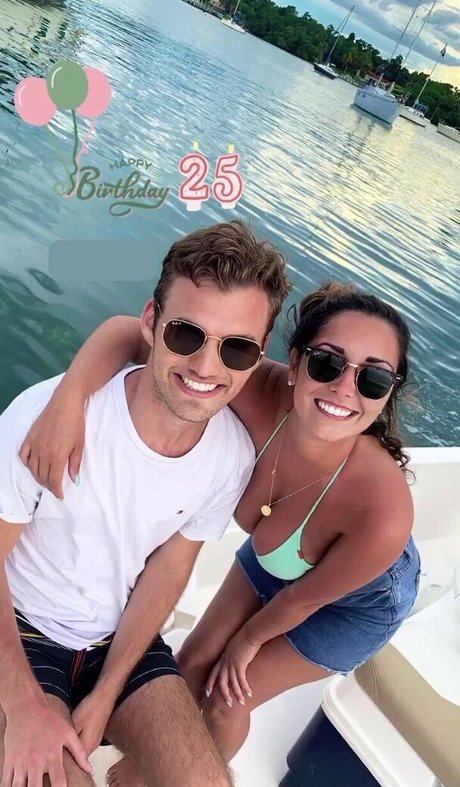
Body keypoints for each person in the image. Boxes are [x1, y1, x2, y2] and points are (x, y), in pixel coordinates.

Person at [20, 270, 422, 786]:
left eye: (373, 379)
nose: (344, 389)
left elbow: (303, 601)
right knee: (190, 660)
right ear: (295, 363)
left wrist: (247, 641)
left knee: (228, 694)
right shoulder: (254, 388)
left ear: (389, 392)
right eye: (327, 362)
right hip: (279, 552)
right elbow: (129, 331)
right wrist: (67, 401)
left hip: (356, 601)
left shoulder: (383, 515)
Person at [0, 220, 291, 787]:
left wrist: (109, 690)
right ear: (151, 322)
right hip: (23, 629)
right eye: (186, 334)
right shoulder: (47, 420)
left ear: (257, 358)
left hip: (116, 640)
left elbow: (169, 568)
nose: (206, 367)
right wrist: (21, 703)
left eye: (235, 348)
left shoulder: (232, 455)